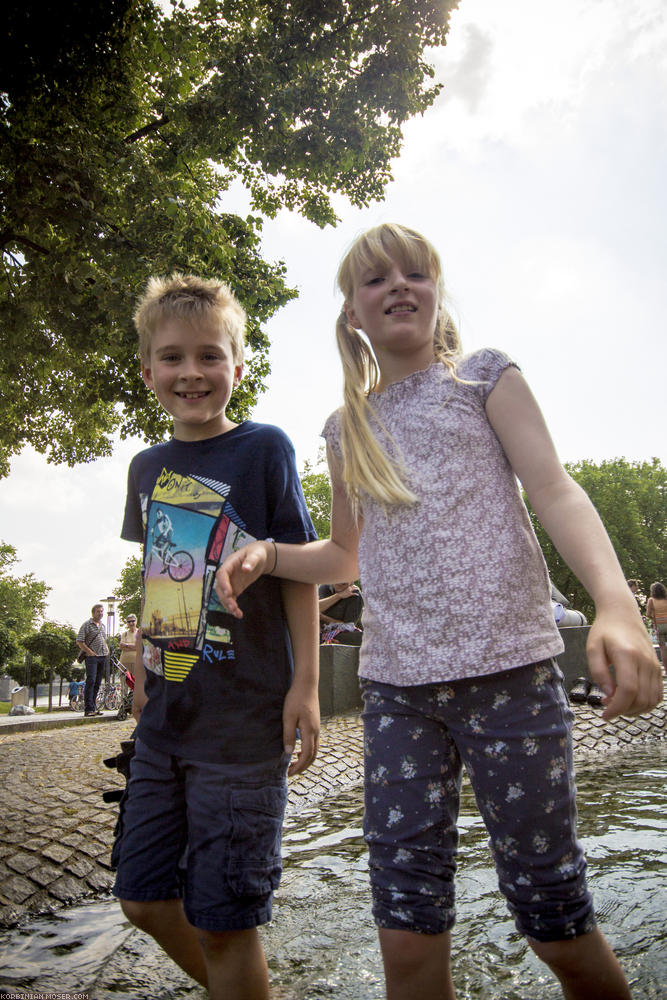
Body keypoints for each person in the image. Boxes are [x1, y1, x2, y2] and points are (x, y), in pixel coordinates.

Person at [215, 223, 663, 1000]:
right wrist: (270, 554)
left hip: (511, 677)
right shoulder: (344, 427)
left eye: (414, 273)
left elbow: (554, 488)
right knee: (406, 920)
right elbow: (345, 557)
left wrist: (614, 605)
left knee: (552, 910)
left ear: (435, 292)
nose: (397, 285)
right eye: (374, 279)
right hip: (397, 695)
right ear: (352, 313)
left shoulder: (484, 378)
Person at [112, 272, 319, 1000]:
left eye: (209, 356)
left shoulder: (265, 449)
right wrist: (141, 668)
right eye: (171, 358)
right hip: (167, 718)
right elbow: (163, 574)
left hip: (244, 724)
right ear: (147, 371)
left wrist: (306, 686)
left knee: (227, 923)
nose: (190, 372)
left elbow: (300, 572)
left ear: (239, 365)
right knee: (141, 898)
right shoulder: (146, 468)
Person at [76, 604, 109, 717]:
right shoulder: (87, 625)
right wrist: (89, 652)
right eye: (98, 611)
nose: (100, 613)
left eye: (102, 611)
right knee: (91, 681)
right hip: (92, 657)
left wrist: (107, 649)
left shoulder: (103, 626)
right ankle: (88, 708)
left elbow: (103, 639)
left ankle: (94, 706)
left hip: (102, 656)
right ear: (93, 613)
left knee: (97, 682)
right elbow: (80, 641)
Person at [646, 582, 667, 675]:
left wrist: (654, 619)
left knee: (662, 648)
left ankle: (666, 671)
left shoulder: (651, 600)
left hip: (659, 625)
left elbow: (648, 614)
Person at [118, 614, 138, 696]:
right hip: (124, 663)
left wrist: (126, 645)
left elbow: (139, 647)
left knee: (136, 684)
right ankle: (124, 705)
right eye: (129, 622)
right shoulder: (124, 634)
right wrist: (132, 646)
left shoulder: (140, 633)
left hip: (137, 663)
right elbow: (121, 646)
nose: (131, 623)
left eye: (133, 621)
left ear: (136, 621)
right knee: (124, 685)